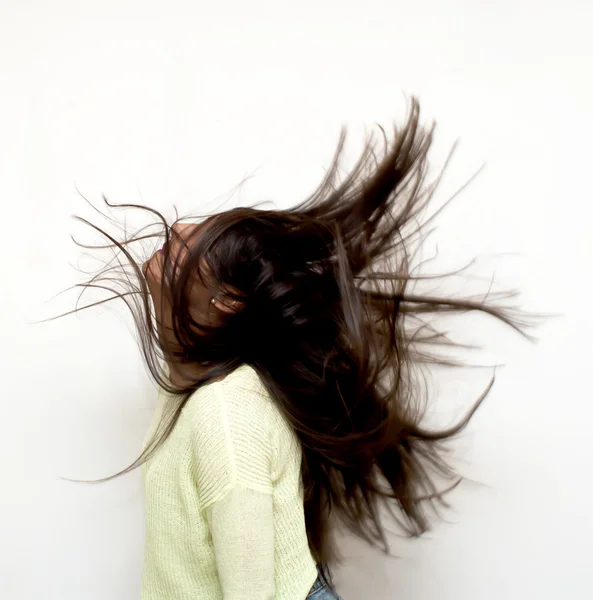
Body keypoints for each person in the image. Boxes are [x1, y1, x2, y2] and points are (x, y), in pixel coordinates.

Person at [63, 98, 529, 600]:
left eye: (196, 239)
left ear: (226, 301)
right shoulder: (191, 391)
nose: (176, 229)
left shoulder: (223, 412)